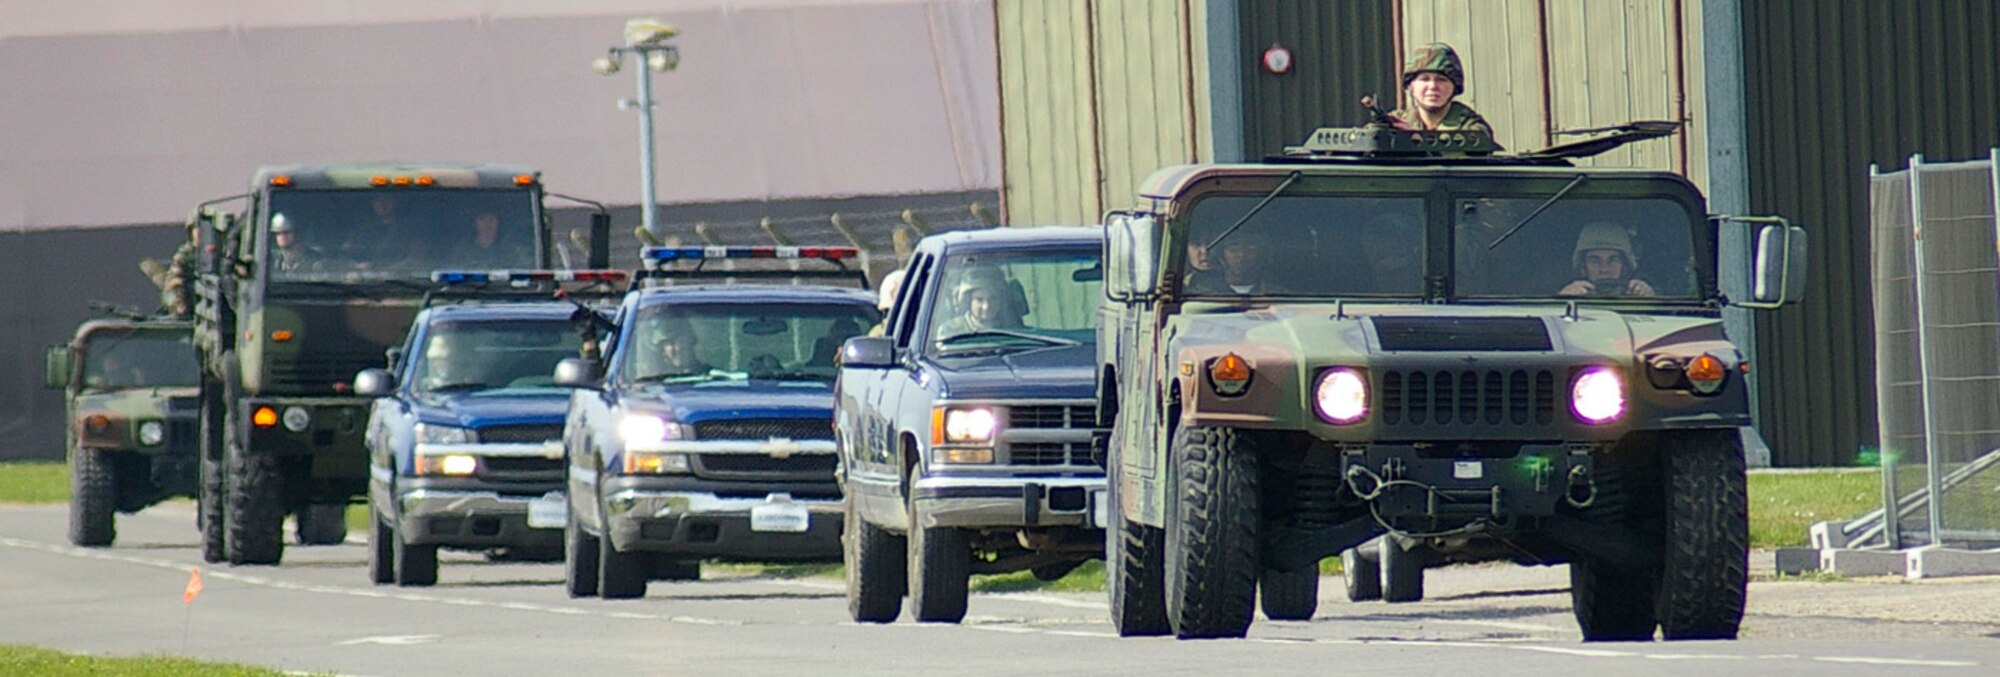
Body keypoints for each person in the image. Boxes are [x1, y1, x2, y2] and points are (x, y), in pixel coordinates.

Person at [1387, 43, 1494, 134]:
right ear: (1411, 86)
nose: (1433, 86)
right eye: (1424, 79)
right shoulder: (1397, 122)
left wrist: (1418, 139)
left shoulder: (1471, 127)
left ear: (1454, 86)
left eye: (1441, 79)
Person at [1559, 223, 1655, 297]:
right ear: (1583, 267)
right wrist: (1561, 301)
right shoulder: (1570, 298)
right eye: (1595, 262)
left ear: (1625, 266)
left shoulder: (1639, 297)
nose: (1605, 270)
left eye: (1613, 261)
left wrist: (1651, 300)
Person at [1186, 232, 1280, 295]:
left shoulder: (1277, 295)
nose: (1241, 254)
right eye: (1233, 249)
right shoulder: (1195, 293)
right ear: (1221, 255)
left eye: (1251, 248)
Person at [937, 269, 1023, 336]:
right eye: (979, 300)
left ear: (1001, 300)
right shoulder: (950, 331)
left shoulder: (1014, 332)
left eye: (993, 298)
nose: (986, 306)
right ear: (968, 301)